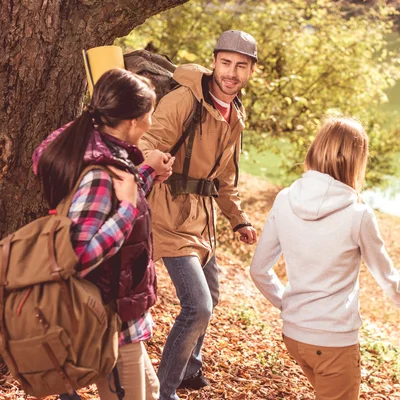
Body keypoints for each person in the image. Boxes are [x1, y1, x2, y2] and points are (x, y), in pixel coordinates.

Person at [32, 68, 174, 400]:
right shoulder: (100, 173)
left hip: (125, 317)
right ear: (133, 122)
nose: (152, 122)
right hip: (111, 325)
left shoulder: (106, 154)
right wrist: (126, 211)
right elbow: (77, 255)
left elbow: (115, 198)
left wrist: (147, 174)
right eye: (149, 114)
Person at [249, 117, 400, 400]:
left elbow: (258, 270)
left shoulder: (284, 198)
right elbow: (384, 273)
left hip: (294, 336)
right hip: (333, 341)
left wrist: (288, 304)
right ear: (356, 161)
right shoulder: (358, 214)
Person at [137, 30, 258, 399]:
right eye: (225, 63)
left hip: (203, 222)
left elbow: (223, 178)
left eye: (241, 66)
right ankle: (164, 391)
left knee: (213, 296)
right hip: (169, 214)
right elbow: (143, 141)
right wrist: (153, 161)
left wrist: (239, 219)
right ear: (214, 62)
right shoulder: (182, 101)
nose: (231, 73)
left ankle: (190, 367)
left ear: (251, 71)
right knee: (198, 306)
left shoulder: (234, 113)